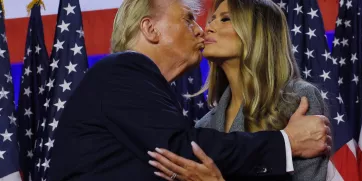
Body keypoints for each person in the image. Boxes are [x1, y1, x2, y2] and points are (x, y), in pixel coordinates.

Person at [48, 0, 331, 181]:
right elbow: (184, 148)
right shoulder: (123, 70)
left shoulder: (298, 99)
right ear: (150, 29)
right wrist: (286, 143)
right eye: (188, 19)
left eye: (224, 19)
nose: (202, 29)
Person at [148, 0, 330, 181]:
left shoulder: (297, 99)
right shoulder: (203, 126)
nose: (208, 27)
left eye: (225, 19)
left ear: (259, 32)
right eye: (211, 19)